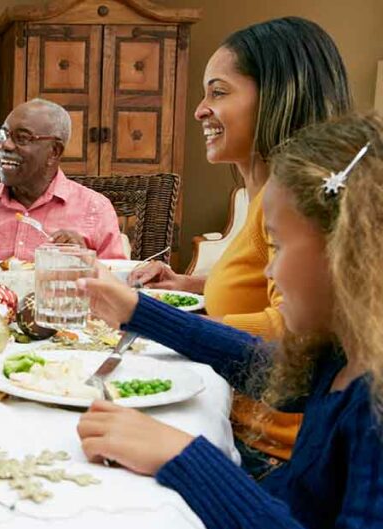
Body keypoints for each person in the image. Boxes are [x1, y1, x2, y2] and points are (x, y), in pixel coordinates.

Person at [77, 111, 383, 529]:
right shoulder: (344, 354)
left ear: (348, 252)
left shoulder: (374, 412)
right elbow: (259, 363)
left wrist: (186, 458)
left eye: (277, 246)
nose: (270, 272)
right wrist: (137, 311)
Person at [126, 17, 351, 475]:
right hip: (241, 422)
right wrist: (191, 285)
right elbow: (268, 286)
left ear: (276, 96)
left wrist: (162, 325)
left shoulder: (291, 199)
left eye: (219, 92)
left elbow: (297, 329)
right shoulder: (268, 192)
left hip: (270, 453)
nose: (200, 110)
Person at [0, 98, 125, 262]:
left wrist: (85, 261)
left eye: (22, 138)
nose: (4, 145)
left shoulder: (95, 209)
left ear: (54, 152)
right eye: (3, 135)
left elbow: (118, 284)